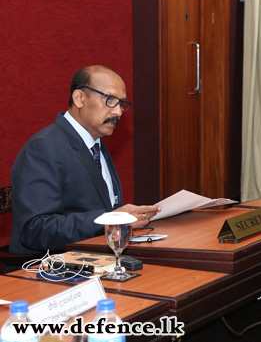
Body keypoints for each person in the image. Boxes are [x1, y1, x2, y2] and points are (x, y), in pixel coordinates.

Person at [10, 65, 160, 255]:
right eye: (110, 100)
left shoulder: (95, 143)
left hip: (95, 257)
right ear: (80, 98)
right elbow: (35, 229)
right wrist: (107, 220)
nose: (119, 112)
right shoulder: (43, 147)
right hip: (52, 271)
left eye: (121, 104)